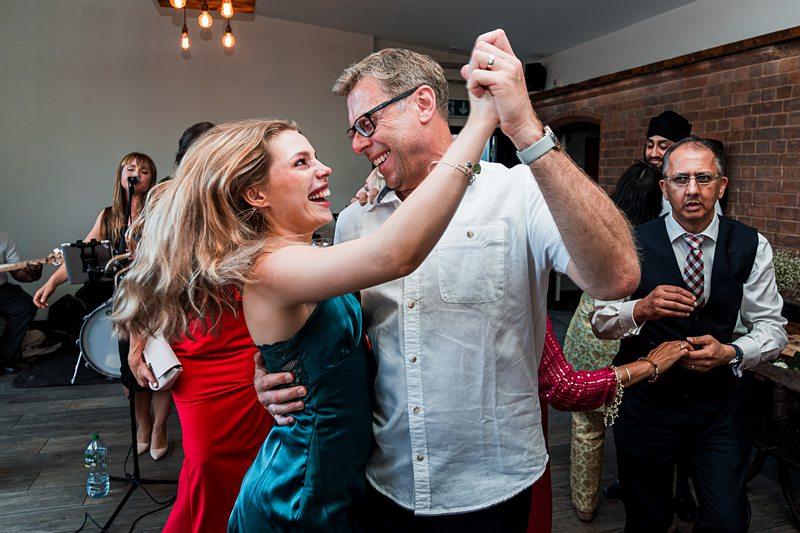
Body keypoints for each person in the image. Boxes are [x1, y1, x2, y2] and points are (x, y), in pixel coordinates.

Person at [257, 29, 640, 531]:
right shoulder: (355, 222)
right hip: (385, 480)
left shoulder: (518, 191)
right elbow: (331, 331)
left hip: (492, 482)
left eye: (367, 123)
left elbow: (617, 277)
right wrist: (275, 371)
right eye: (353, 130)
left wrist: (524, 127)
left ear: (422, 103)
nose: (355, 144)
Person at [112, 62, 502, 531]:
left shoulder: (302, 254)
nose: (325, 168)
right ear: (256, 194)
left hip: (341, 482)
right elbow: (396, 254)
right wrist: (480, 123)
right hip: (298, 498)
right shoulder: (269, 267)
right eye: (302, 163)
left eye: (315, 157)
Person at [591, 137, 788, 533]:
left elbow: (771, 328)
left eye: (703, 178)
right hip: (647, 405)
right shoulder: (631, 242)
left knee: (727, 520)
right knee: (648, 519)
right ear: (664, 188)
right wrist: (641, 308)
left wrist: (732, 351)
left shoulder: (751, 245)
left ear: (722, 185)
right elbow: (600, 321)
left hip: (717, 408)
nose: (693, 190)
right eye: (681, 179)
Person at [124, 121, 273, 532]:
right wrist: (138, 342)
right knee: (207, 460)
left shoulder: (244, 197)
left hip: (248, 344)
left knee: (256, 461)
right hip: (197, 348)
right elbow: (147, 276)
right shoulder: (167, 200)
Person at [33, 153, 173, 461]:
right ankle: (143, 426)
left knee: (160, 368)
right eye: (131, 169)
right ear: (121, 175)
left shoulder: (161, 209)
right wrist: (52, 282)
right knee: (132, 373)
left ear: (152, 178)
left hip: (159, 299)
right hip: (127, 305)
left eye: (145, 170)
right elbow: (82, 253)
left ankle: (161, 428)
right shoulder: (108, 216)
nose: (137, 174)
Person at [563, 161, 663, 522]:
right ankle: (637, 495)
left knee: (587, 427)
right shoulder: (657, 243)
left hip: (588, 337)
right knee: (635, 427)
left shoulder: (599, 228)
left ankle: (585, 504)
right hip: (633, 345)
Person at [0, 230, 43, 375]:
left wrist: (33, 273)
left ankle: (4, 358)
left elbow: (18, 273)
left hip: (1, 289)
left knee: (25, 305)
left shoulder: (4, 237)